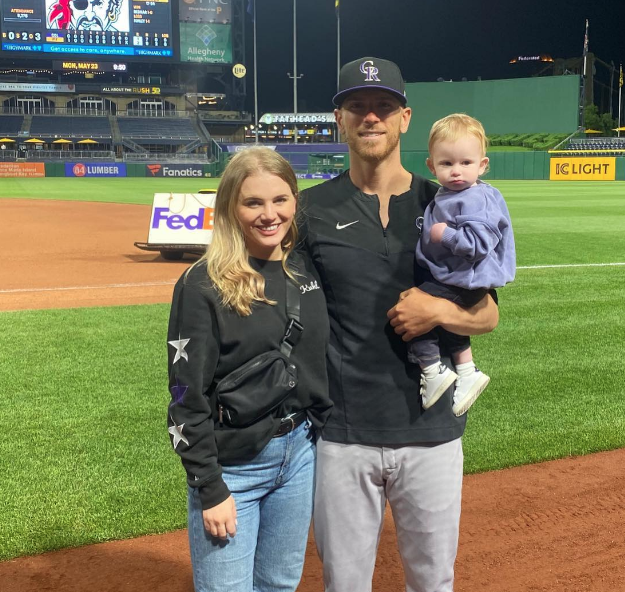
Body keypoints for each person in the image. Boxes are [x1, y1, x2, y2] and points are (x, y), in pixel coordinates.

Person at [300, 57, 500, 592]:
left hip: (432, 433)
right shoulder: (308, 209)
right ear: (338, 118)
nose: (371, 117)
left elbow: (488, 312)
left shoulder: (445, 201)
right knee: (344, 585)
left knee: (433, 582)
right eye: (357, 107)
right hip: (342, 436)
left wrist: (438, 311)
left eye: (383, 106)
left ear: (404, 117)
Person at [166, 147, 332, 592]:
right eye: (252, 202)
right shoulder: (203, 283)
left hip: (300, 456)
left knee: (279, 584)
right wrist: (208, 485)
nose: (268, 214)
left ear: (295, 201)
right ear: (231, 209)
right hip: (233, 467)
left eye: (280, 199)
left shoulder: (305, 270)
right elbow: (185, 396)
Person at [409, 113, 515, 414]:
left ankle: (432, 370)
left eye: (465, 163)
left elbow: (480, 244)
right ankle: (467, 373)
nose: (456, 171)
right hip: (455, 275)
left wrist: (447, 235)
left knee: (414, 310)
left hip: (465, 277)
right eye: (446, 164)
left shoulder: (475, 198)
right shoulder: (450, 194)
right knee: (449, 325)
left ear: (482, 165)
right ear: (431, 166)